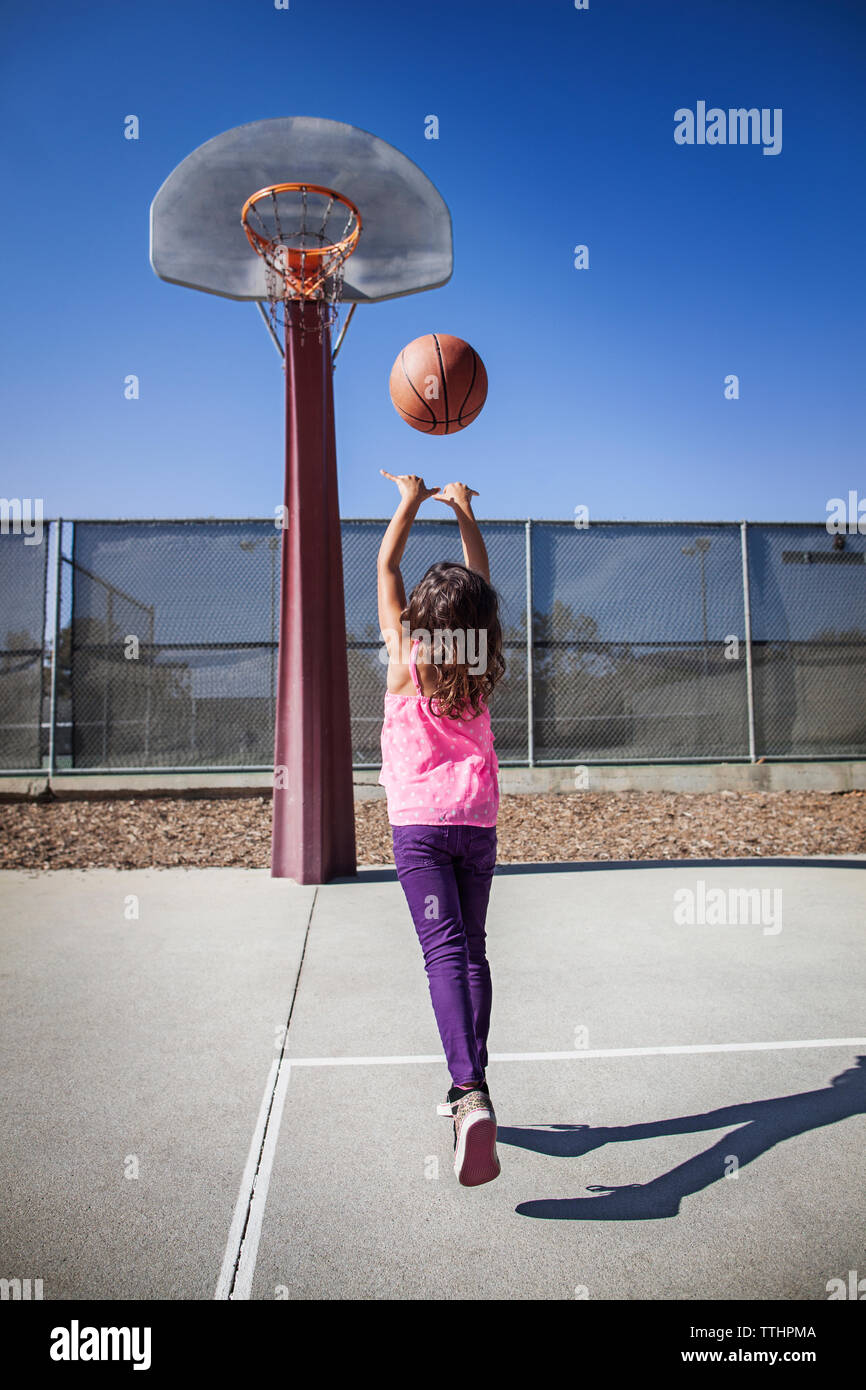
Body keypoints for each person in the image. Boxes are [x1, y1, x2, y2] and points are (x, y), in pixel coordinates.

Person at [377, 470, 506, 1186]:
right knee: (473, 951)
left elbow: (387, 565)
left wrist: (410, 498)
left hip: (421, 829)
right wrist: (460, 509)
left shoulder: (407, 659)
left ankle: (469, 1094)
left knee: (442, 955)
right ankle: (470, 1085)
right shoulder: (480, 661)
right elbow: (479, 582)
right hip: (476, 823)